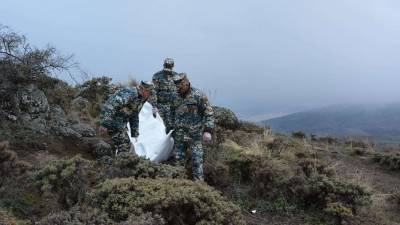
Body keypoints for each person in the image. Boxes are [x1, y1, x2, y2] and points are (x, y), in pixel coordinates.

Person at [172, 73, 214, 181]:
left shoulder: (198, 95)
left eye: (180, 86)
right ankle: (179, 187)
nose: (178, 89)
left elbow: (208, 112)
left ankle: (199, 188)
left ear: (185, 83)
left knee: (197, 161)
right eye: (176, 86)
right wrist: (169, 127)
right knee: (178, 162)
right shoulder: (174, 96)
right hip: (179, 136)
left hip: (194, 135)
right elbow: (171, 112)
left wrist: (208, 130)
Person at [99, 81, 153, 155]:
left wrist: (135, 132)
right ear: (143, 89)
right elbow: (111, 105)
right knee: (124, 146)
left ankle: (119, 162)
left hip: (120, 124)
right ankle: (120, 164)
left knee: (125, 146)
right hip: (112, 121)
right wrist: (105, 124)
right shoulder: (130, 93)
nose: (150, 95)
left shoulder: (141, 99)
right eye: (149, 92)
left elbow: (134, 114)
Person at [149, 58, 179, 133]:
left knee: (173, 128)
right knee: (160, 127)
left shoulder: (176, 76)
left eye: (169, 66)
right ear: (164, 65)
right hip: (160, 106)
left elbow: (180, 90)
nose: (168, 67)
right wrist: (154, 106)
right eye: (166, 65)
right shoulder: (157, 76)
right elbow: (153, 91)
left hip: (173, 107)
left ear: (172, 66)